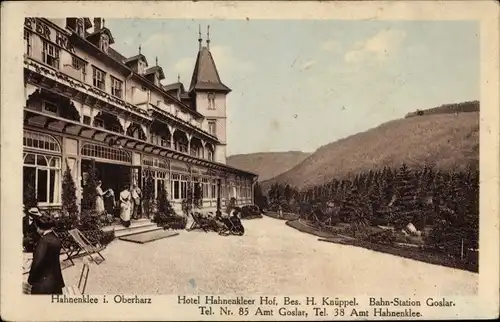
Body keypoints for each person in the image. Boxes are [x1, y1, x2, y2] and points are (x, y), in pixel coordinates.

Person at [27, 212, 65, 295]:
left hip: (44, 285)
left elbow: (38, 262)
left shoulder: (44, 242)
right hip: (55, 281)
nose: (36, 230)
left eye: (36, 227)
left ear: (41, 228)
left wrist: (30, 280)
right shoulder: (55, 238)